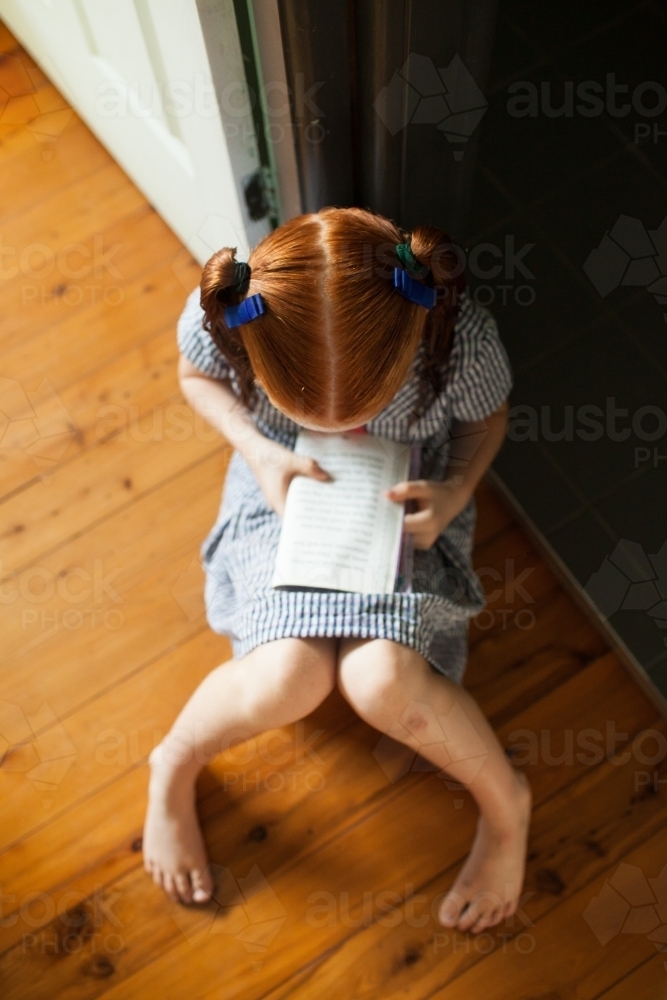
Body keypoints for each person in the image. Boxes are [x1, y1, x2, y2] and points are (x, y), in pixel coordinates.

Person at [142, 206, 531, 936]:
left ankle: (506, 804)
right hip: (281, 485)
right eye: (308, 409)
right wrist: (259, 451)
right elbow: (195, 378)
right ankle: (175, 758)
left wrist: (453, 493)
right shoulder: (233, 316)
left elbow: (487, 421)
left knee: (381, 680)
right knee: (286, 676)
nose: (344, 430)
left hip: (412, 500)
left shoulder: (458, 339)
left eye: (364, 409)